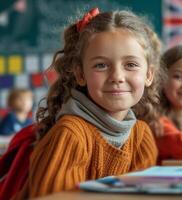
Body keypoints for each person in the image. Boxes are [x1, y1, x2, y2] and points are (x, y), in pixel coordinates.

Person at [13, 8, 163, 198]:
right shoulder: (70, 135)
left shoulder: (141, 137)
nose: (117, 76)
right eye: (101, 65)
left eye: (130, 65)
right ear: (80, 74)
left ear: (149, 75)